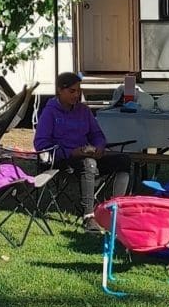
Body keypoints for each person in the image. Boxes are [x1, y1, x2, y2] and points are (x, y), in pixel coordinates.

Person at [34, 72, 131, 233]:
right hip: (63, 160)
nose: (77, 95)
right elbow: (41, 144)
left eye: (78, 91)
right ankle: (89, 216)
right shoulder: (50, 112)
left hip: (87, 156)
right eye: (72, 91)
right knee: (89, 164)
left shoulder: (83, 110)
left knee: (124, 160)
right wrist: (71, 152)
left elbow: (97, 134)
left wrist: (99, 147)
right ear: (59, 90)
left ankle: (116, 209)